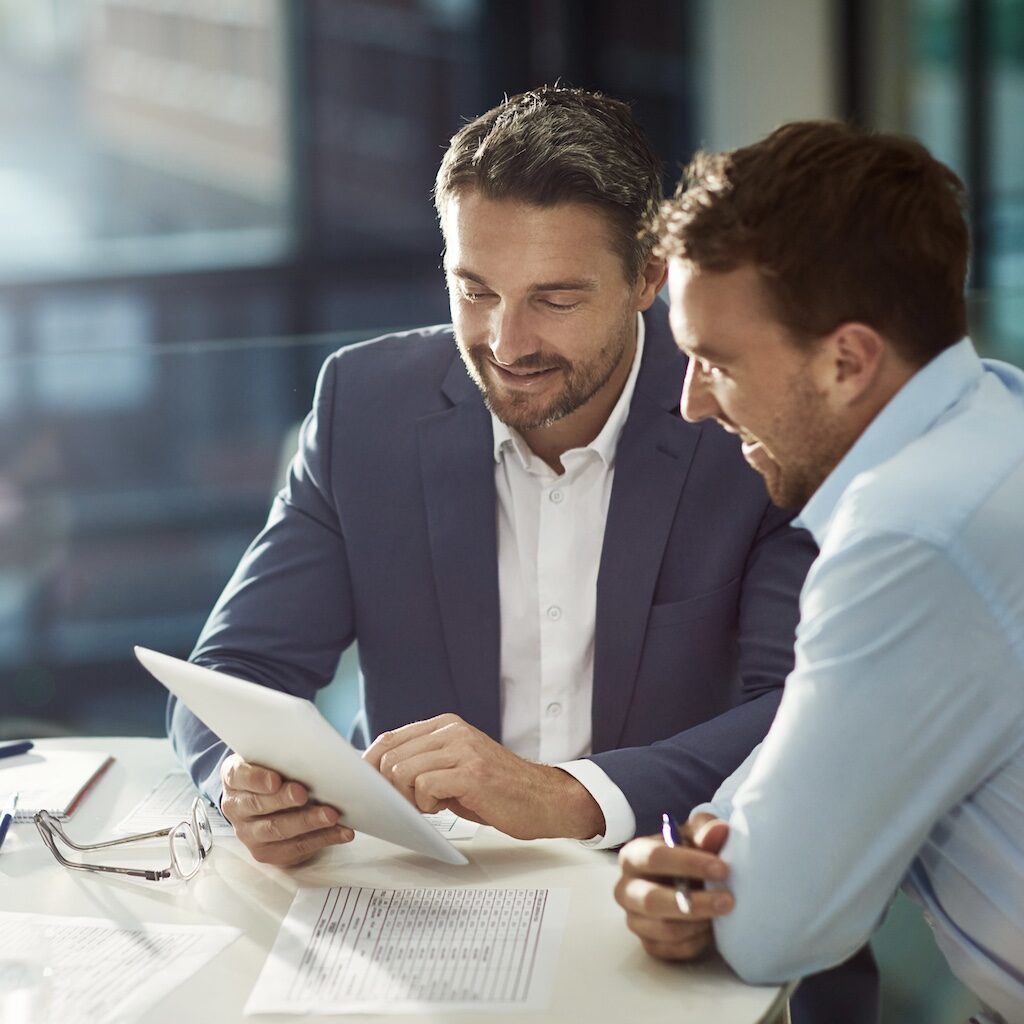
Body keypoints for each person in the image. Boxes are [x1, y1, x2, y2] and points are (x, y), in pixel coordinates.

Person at [169, 88, 860, 1020]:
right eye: (474, 290)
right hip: (426, 940)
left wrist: (569, 796)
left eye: (555, 299)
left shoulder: (745, 421)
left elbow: (800, 714)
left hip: (678, 915)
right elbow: (236, 670)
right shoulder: (363, 406)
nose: (505, 343)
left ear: (649, 277)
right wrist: (243, 781)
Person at [614, 120, 1024, 1024]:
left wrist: (711, 877)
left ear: (848, 361)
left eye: (715, 362)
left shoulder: (913, 536)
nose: (689, 403)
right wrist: (708, 844)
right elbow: (800, 754)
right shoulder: (993, 416)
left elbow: (766, 928)